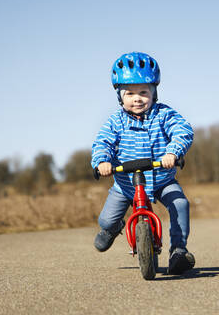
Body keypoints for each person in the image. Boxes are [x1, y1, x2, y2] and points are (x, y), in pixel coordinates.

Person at [91, 52, 195, 275]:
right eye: (130, 93)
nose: (137, 98)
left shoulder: (164, 115)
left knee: (180, 204)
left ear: (154, 93)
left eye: (143, 92)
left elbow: (182, 131)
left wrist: (172, 152)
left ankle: (178, 250)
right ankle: (114, 227)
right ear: (120, 96)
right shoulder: (115, 121)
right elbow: (103, 142)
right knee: (106, 220)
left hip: (161, 179)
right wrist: (102, 161)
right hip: (127, 184)